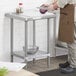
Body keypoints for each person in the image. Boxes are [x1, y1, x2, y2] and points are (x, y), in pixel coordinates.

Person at [41, 0, 76, 73]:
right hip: (68, 13)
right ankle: (70, 61)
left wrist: (53, 6)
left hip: (72, 14)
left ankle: (73, 65)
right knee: (68, 39)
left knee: (71, 40)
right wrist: (50, 4)